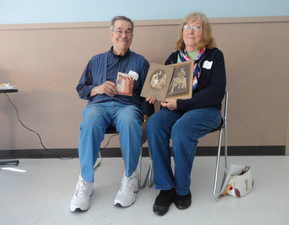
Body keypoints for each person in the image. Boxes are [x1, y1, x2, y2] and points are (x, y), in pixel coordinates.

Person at [70, 15, 154, 212]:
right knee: (89, 122)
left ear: (132, 36)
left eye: (128, 31)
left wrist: (145, 121)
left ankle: (130, 178)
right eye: (119, 31)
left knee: (128, 121)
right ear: (111, 34)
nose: (123, 35)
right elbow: (81, 88)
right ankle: (85, 183)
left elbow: (148, 95)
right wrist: (98, 88)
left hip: (127, 107)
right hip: (98, 106)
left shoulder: (141, 62)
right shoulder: (95, 60)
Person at [146, 12, 226, 216]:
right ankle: (166, 187)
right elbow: (163, 87)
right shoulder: (174, 58)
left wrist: (181, 103)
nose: (191, 31)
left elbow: (216, 91)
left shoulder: (215, 56)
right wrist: (155, 94)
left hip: (206, 111)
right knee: (154, 124)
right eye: (187, 27)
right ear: (182, 32)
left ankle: (182, 189)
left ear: (204, 32)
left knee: (182, 130)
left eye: (197, 27)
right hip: (176, 109)